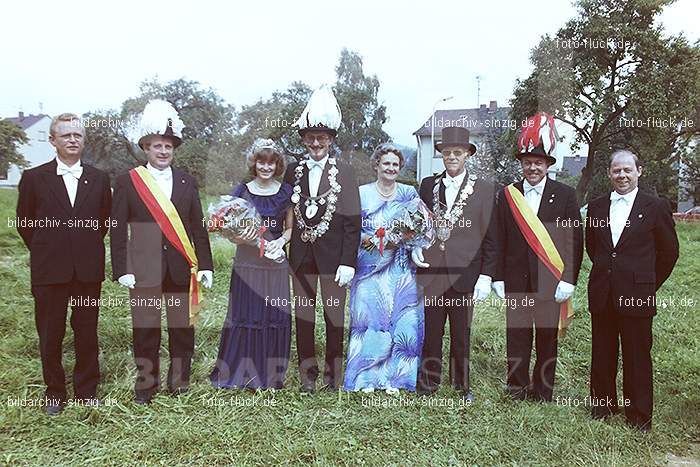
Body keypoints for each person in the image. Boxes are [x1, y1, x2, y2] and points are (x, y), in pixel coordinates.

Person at [110, 100, 213, 404]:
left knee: (182, 329)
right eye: (157, 145)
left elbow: (198, 226)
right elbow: (117, 229)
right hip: (143, 269)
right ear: (146, 147)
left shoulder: (186, 181)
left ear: (174, 148)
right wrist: (122, 268)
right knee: (146, 330)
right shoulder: (128, 182)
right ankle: (145, 388)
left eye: (168, 146)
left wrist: (205, 264)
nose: (163, 151)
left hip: (181, 266)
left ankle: (179, 383)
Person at [16, 113, 111, 415]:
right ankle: (54, 393)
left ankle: (86, 390)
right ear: (52, 140)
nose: (72, 140)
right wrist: (49, 249)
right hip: (49, 271)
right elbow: (25, 222)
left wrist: (80, 248)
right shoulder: (33, 178)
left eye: (77, 136)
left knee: (86, 331)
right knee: (50, 332)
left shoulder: (98, 178)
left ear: (84, 141)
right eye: (66, 135)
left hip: (87, 271)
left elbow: (103, 222)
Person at [492, 112, 584, 402]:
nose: (533, 167)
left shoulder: (565, 195)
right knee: (517, 336)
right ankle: (517, 387)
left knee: (547, 339)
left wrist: (569, 279)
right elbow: (497, 238)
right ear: (521, 165)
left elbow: (574, 241)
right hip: (516, 279)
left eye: (539, 163)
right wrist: (496, 276)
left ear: (548, 165)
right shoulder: (507, 195)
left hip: (550, 280)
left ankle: (543, 390)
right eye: (528, 162)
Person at [586, 149, 678, 432]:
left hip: (637, 294)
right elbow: (594, 247)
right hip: (603, 292)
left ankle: (638, 415)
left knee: (637, 356)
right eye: (616, 170)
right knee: (602, 352)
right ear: (609, 174)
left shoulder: (655, 206)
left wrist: (646, 283)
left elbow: (669, 253)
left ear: (639, 171)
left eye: (627, 170)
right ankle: (603, 406)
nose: (622, 175)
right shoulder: (597, 206)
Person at [283, 85, 361, 392]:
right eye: (311, 138)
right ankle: (307, 374)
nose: (316, 143)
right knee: (303, 316)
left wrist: (348, 262)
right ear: (303, 139)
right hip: (301, 256)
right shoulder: (293, 170)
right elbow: (285, 210)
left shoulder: (345, 171)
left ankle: (334, 374)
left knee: (333, 316)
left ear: (330, 140)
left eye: (322, 138)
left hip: (333, 258)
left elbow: (353, 221)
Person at [414, 126, 499, 401]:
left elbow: (491, 237)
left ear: (467, 155)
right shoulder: (428, 185)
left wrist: (486, 276)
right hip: (434, 270)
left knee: (461, 332)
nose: (452, 157)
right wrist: (416, 247)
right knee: (432, 329)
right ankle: (428, 382)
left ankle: (462, 385)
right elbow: (419, 226)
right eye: (447, 152)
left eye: (457, 153)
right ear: (441, 154)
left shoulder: (484, 189)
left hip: (466, 273)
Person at [343, 143, 432, 394]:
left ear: (399, 167)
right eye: (386, 163)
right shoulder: (361, 193)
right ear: (376, 165)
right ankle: (366, 379)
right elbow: (351, 231)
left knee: (401, 319)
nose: (391, 168)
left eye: (395, 164)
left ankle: (396, 379)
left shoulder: (409, 193)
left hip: (400, 267)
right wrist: (376, 240)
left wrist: (414, 243)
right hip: (369, 265)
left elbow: (420, 226)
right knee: (370, 319)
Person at [210, 138, 293, 389]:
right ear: (254, 163)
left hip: (275, 263)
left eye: (271, 162)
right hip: (246, 264)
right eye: (261, 162)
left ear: (277, 165)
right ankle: (238, 373)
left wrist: (280, 242)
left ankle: (269, 375)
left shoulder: (287, 191)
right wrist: (240, 237)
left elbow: (290, 229)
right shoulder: (241, 190)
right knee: (245, 315)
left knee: (273, 316)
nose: (266, 167)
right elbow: (223, 224)